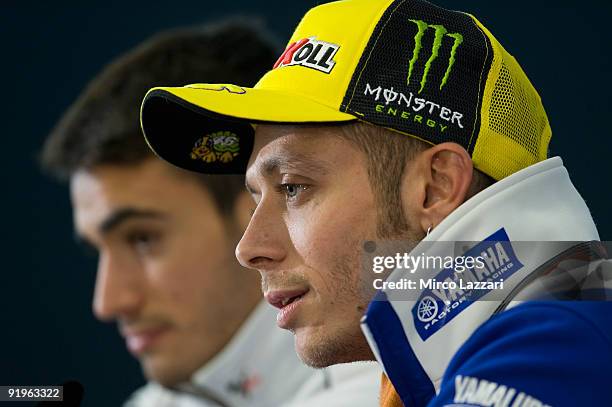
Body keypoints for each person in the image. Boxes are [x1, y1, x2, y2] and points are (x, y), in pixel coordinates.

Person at [139, 0, 612, 406]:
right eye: (256, 197)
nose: (250, 247)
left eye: (292, 188)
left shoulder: (550, 349)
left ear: (436, 187)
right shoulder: (560, 317)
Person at [41, 20, 380, 407]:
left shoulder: (393, 385)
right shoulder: (158, 401)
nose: (109, 301)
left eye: (143, 239)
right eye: (98, 250)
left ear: (259, 209)